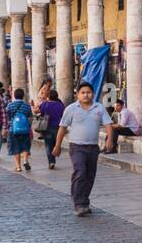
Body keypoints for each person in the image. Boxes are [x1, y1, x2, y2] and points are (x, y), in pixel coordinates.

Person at [53, 82, 113, 216]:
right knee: (80, 171)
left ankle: (84, 200)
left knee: (90, 175)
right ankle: (78, 203)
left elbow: (108, 124)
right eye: (83, 92)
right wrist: (57, 146)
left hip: (93, 147)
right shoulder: (71, 109)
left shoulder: (99, 108)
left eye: (89, 92)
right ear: (78, 94)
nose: (86, 95)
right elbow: (62, 128)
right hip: (77, 146)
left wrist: (109, 138)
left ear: (93, 94)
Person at [6, 88, 34, 173]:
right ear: (23, 96)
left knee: (15, 147)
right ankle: (25, 160)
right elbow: (30, 117)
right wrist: (28, 126)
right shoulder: (27, 105)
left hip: (13, 129)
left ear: (14, 96)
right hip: (25, 129)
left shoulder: (10, 105)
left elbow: (7, 116)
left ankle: (18, 166)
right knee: (25, 146)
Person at [38, 88, 66, 169]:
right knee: (56, 143)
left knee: (48, 144)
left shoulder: (44, 104)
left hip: (47, 127)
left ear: (48, 96)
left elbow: (41, 112)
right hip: (58, 127)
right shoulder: (60, 105)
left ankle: (51, 161)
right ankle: (54, 156)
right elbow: (63, 115)